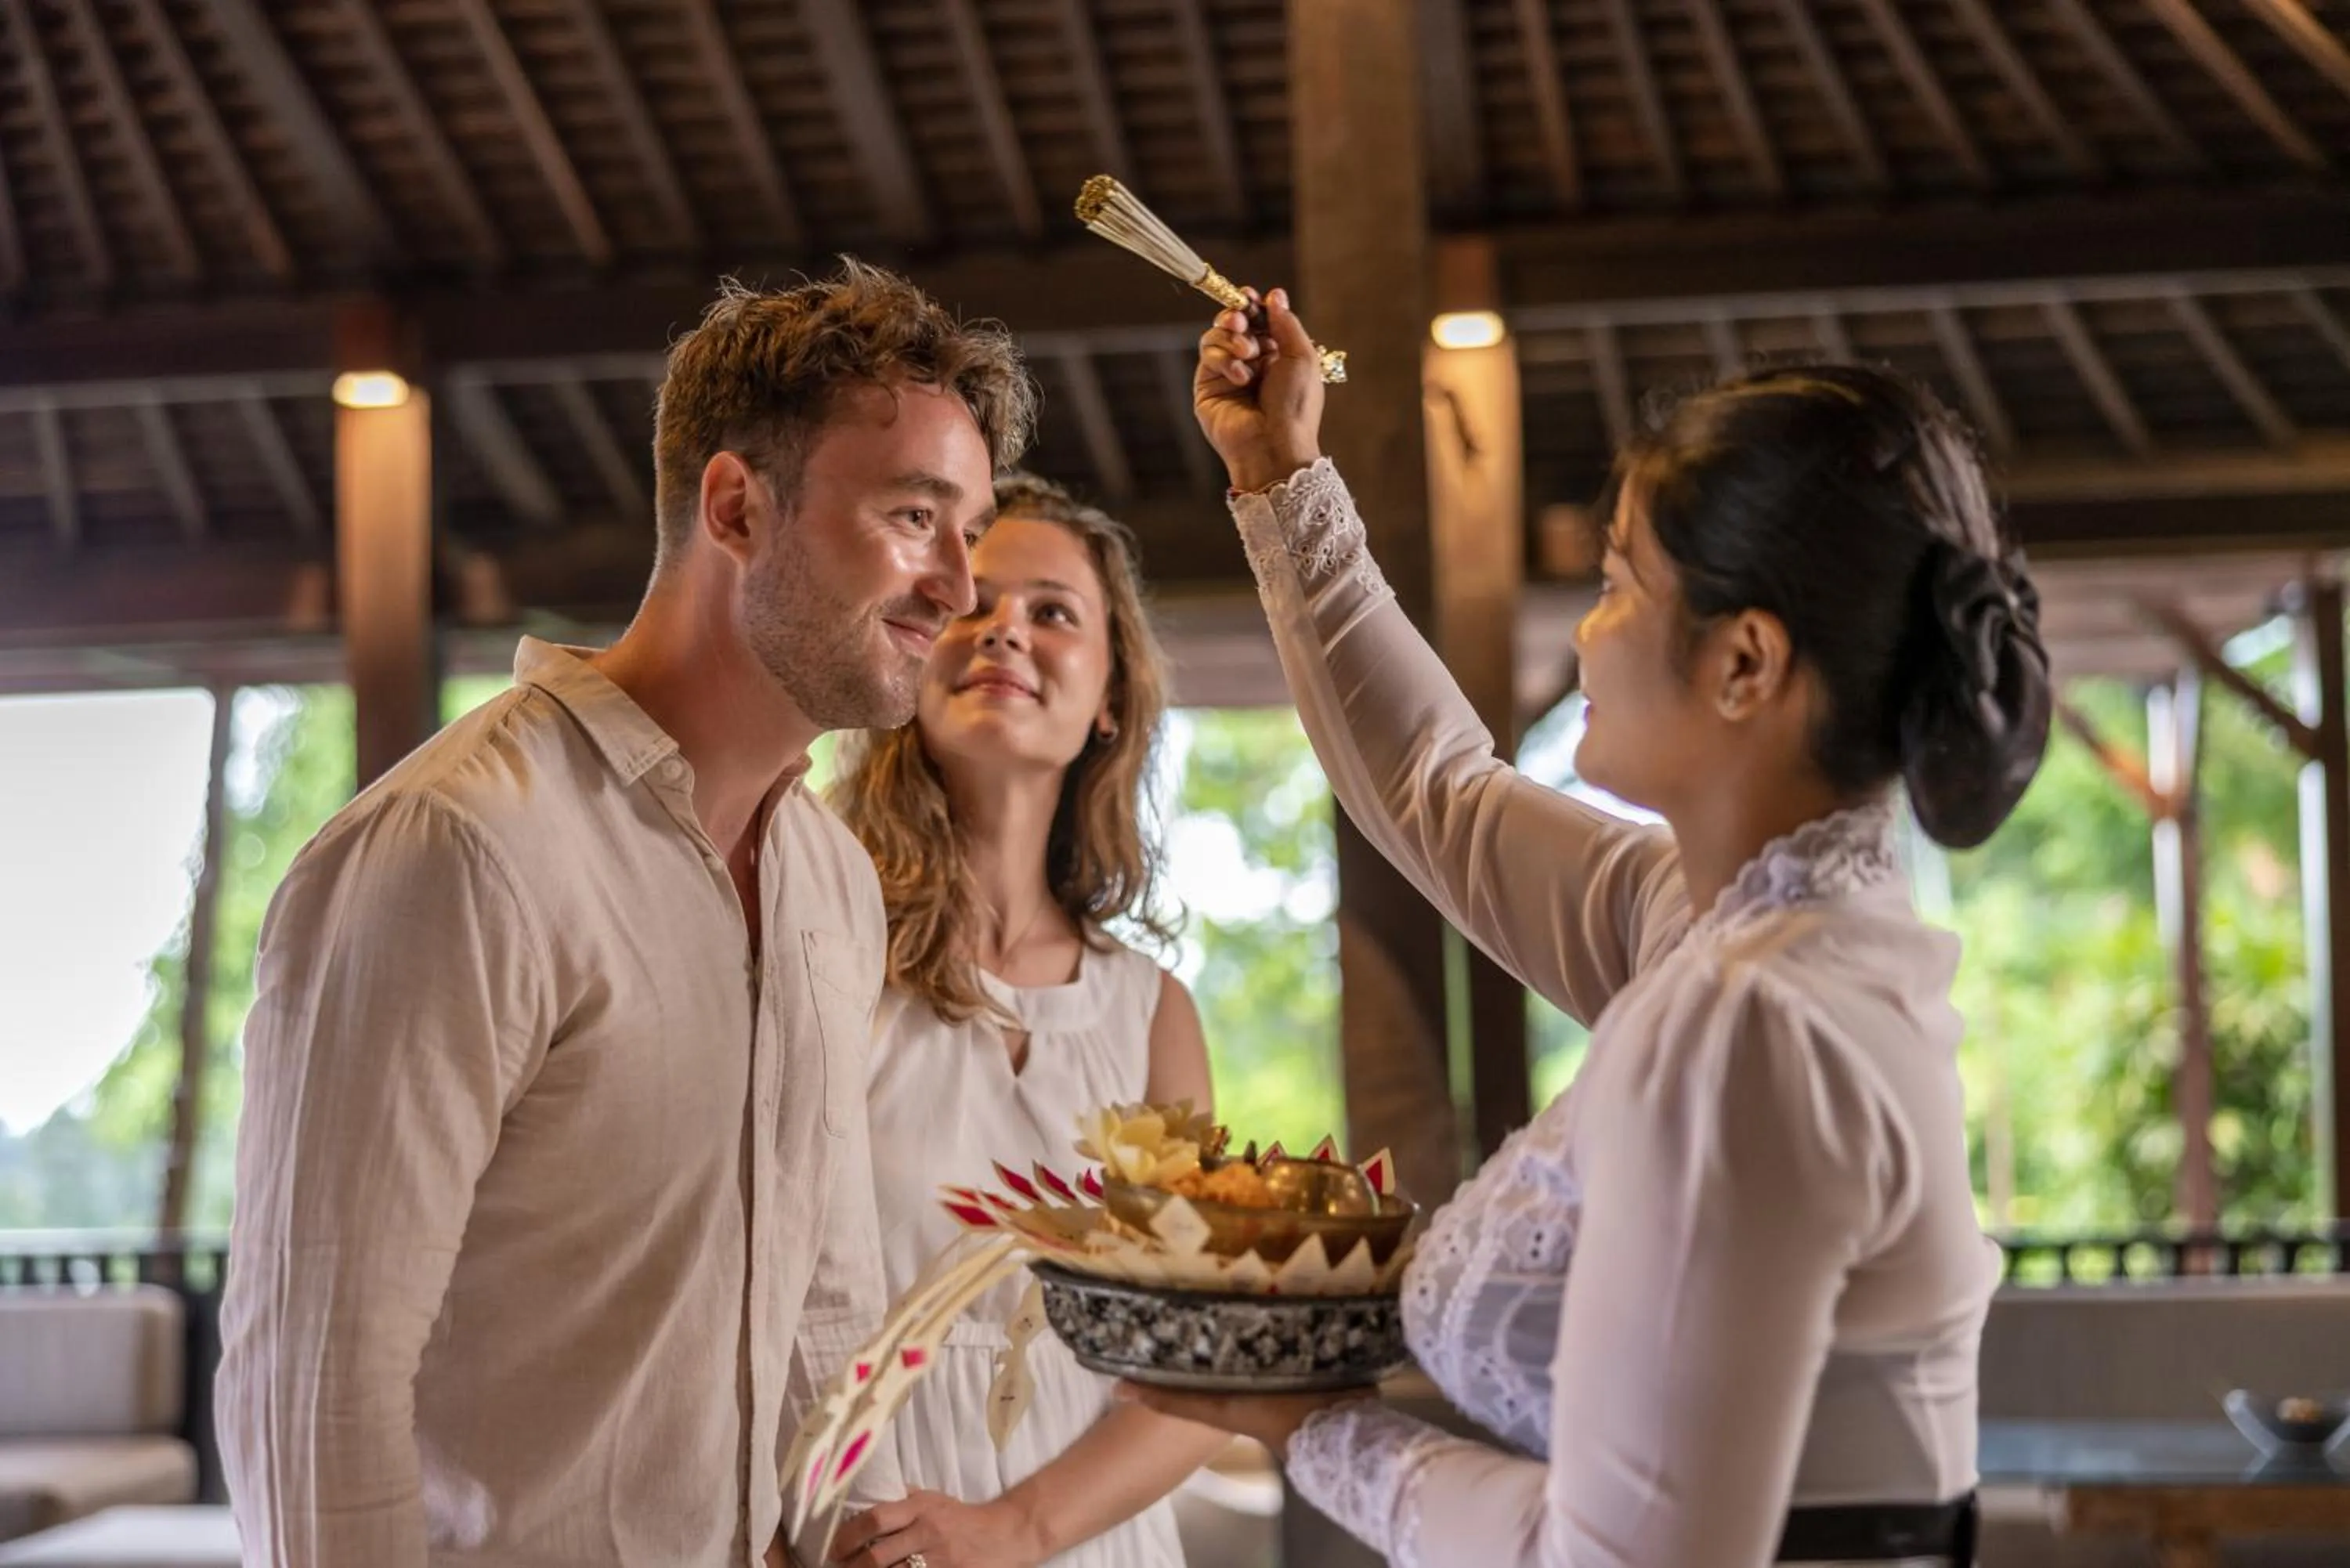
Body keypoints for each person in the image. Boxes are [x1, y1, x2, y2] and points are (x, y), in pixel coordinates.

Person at [1119, 289, 2052, 1566]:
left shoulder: (1754, 1019)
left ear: (1746, 664)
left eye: (1619, 581)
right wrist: (1283, 479)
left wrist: (1314, 1427)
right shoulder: (1738, 928)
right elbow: (1437, 793)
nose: (1587, 630)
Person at [216, 262, 1036, 1568]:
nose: (959, 585)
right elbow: (318, 1387)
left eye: (968, 529)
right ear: (735, 507)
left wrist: (840, 1532)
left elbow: (821, 1304)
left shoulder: (828, 877)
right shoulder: (459, 850)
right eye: (913, 516)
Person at [822, 474, 1225, 1568]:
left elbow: (1204, 1362)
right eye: (971, 601)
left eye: (1052, 610)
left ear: (1108, 695)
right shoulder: (822, 954)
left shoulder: (1152, 1015)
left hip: (1099, 1545)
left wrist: (1018, 1527)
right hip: (867, 1539)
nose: (1005, 628)